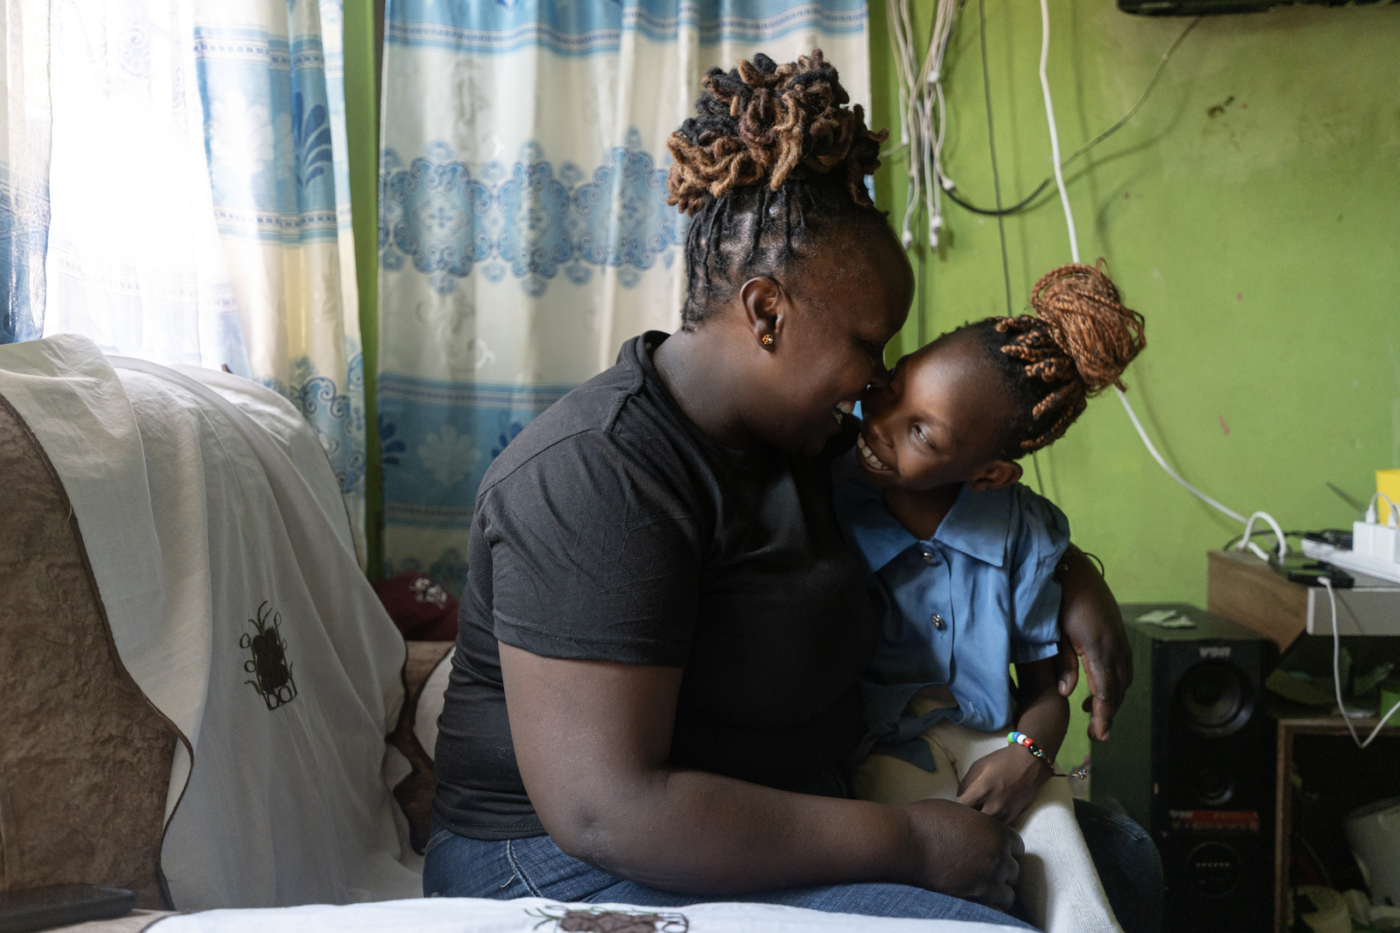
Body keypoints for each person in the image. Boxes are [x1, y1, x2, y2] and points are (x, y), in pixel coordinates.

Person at [424, 50, 1152, 927]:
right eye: (867, 346)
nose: (876, 385)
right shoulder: (600, 476)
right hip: (556, 858)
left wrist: (1076, 578)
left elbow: (956, 501)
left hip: (771, 807)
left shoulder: (804, 441)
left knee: (1127, 860)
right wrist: (910, 843)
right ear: (767, 312)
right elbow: (604, 809)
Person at [834, 263, 1148, 933]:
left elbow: (1045, 691)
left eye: (924, 432)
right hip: (886, 750)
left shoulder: (1022, 535)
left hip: (1004, 741)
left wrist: (1028, 755)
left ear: (990, 472)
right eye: (892, 385)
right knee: (943, 895)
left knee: (1075, 893)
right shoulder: (829, 497)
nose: (881, 420)